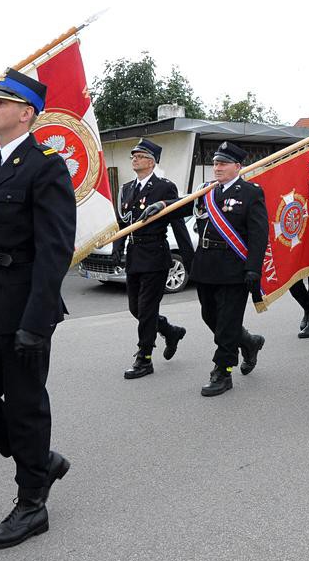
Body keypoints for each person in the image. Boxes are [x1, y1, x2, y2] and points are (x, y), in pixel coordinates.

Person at [0, 70, 76, 549]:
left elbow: (54, 248)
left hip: (23, 305)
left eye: (0, 102)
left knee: (24, 405)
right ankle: (40, 460)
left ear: (26, 113)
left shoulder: (46, 165)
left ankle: (32, 503)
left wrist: (37, 320)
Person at [111, 139, 194, 379]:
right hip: (134, 256)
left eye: (139, 156)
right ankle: (170, 330)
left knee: (147, 309)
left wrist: (189, 259)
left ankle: (144, 358)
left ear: (151, 161)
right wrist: (118, 246)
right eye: (133, 156)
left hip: (155, 255)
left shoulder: (164, 188)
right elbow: (123, 222)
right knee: (135, 308)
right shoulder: (127, 188)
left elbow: (177, 220)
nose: (134, 159)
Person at [190, 141, 268, 397]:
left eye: (223, 163)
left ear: (237, 166)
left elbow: (259, 234)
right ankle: (248, 342)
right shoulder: (206, 192)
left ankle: (222, 371)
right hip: (206, 265)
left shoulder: (251, 193)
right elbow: (180, 204)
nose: (217, 167)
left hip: (234, 268)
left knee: (226, 322)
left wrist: (254, 268)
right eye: (215, 163)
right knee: (209, 316)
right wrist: (162, 205)